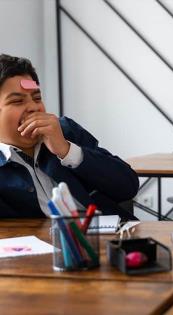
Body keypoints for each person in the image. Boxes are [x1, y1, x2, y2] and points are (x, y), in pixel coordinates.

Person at [0, 53, 139, 220]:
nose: (33, 107)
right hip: (44, 245)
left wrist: (66, 150)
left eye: (37, 98)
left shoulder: (66, 130)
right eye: (17, 101)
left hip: (114, 240)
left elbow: (128, 187)